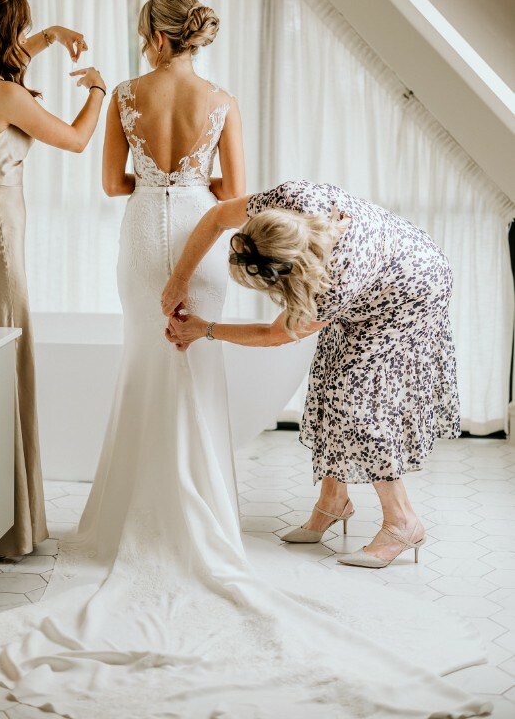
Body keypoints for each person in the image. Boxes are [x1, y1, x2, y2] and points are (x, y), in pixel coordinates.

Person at [0, 0, 488, 719]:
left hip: (150, 236)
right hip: (203, 236)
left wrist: (157, 192)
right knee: (199, 365)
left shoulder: (124, 94)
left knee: (148, 358)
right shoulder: (223, 102)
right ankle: (235, 505)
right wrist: (194, 195)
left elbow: (114, 185)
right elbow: (233, 195)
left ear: (154, 37)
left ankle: (153, 509)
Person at [163, 178, 461, 568]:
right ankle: (333, 502)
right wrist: (179, 279)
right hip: (377, 270)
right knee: (329, 383)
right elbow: (219, 216)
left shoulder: (333, 281)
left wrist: (203, 330)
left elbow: (275, 335)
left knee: (354, 401)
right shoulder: (286, 200)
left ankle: (403, 521)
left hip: (412, 291)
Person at [0, 0, 106, 557]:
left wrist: (51, 35)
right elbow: (76, 140)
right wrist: (98, 89)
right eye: (23, 28)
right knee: (6, 355)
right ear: (5, 31)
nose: (26, 38)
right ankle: (10, 524)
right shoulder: (3, 96)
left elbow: (7, 62)